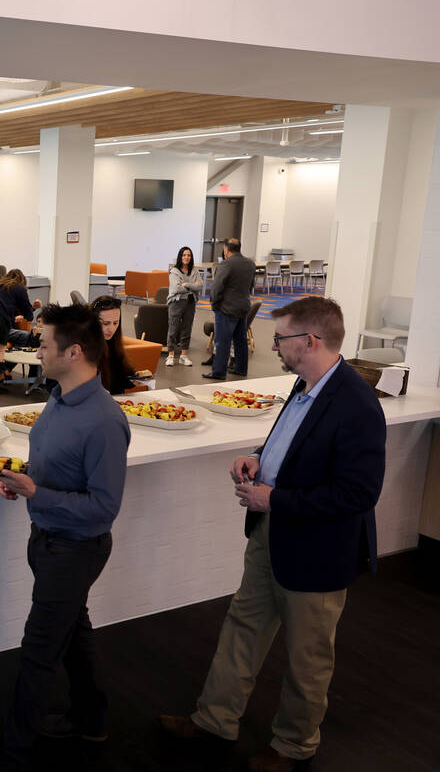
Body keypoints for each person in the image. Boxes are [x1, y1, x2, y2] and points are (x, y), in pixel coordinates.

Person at [159, 297, 386, 772]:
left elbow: (358, 495)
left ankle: (294, 746)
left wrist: (273, 499)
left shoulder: (356, 403)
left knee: (307, 656)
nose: (273, 345)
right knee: (243, 628)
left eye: (281, 338)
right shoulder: (304, 386)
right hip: (272, 534)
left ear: (310, 341)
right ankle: (213, 721)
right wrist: (261, 456)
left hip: (317, 551)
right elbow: (297, 442)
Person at [0, 303, 130, 772]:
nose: (35, 348)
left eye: (43, 344)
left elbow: (104, 508)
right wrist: (24, 477)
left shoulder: (105, 420)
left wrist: (37, 492)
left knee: (38, 652)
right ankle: (92, 720)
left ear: (73, 352)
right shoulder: (57, 398)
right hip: (47, 538)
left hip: (74, 547)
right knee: (75, 634)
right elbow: (54, 467)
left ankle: (9, 755)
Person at [205, 237, 256, 380]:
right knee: (240, 341)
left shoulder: (226, 264)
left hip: (226, 309)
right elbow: (251, 286)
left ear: (226, 250)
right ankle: (241, 369)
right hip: (243, 307)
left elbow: (216, 287)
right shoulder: (250, 264)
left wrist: (214, 304)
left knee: (222, 341)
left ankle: (219, 372)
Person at [89, 295, 137, 395]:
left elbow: (117, 382)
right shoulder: (81, 348)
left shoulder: (113, 343)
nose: (111, 329)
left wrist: (134, 379)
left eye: (116, 323)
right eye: (106, 323)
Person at [166, 246, 202, 367]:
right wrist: (192, 286)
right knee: (173, 328)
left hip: (190, 302)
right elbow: (176, 288)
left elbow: (200, 286)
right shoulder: (174, 271)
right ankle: (170, 355)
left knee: (187, 328)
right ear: (180, 257)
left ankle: (183, 355)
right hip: (176, 302)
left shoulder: (195, 271)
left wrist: (186, 284)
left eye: (189, 255)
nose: (186, 257)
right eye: (184, 255)